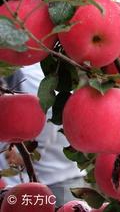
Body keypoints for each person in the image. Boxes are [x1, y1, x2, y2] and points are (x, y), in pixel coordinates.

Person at [0, 64, 87, 207]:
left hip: (58, 176)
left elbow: (48, 116)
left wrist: (27, 151)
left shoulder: (31, 77)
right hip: (20, 180)